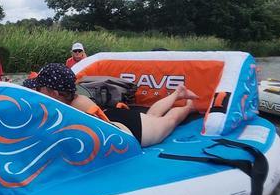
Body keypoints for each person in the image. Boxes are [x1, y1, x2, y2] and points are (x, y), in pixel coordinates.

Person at [31, 63, 198, 148]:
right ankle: (178, 93)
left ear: (52, 92)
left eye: (39, 88)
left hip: (135, 131)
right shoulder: (68, 99)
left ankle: (188, 106)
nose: (36, 91)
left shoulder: (78, 106)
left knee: (170, 120)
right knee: (152, 116)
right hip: (118, 119)